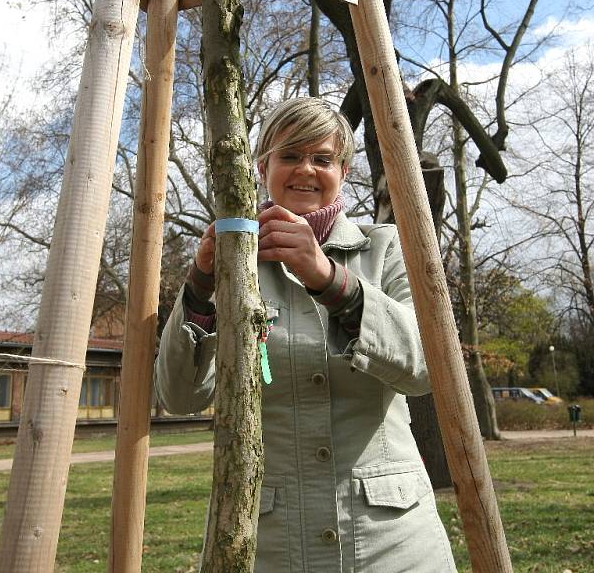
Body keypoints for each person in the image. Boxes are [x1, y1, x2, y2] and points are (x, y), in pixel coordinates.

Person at [154, 97, 456, 573]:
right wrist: (199, 285)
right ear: (261, 167)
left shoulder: (387, 249)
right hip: (268, 543)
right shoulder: (233, 267)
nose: (306, 170)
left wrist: (329, 279)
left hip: (391, 542)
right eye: (290, 156)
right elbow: (179, 397)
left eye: (322, 158)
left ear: (345, 170)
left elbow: (425, 368)